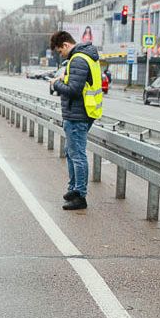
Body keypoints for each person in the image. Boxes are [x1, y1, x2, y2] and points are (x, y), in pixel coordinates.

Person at [49, 30, 101, 211]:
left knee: (77, 155)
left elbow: (74, 90)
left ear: (65, 45)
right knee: (72, 152)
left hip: (78, 114)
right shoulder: (83, 57)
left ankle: (80, 195)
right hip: (81, 112)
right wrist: (64, 78)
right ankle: (74, 189)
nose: (60, 54)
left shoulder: (78, 59)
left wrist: (56, 84)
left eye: (59, 51)